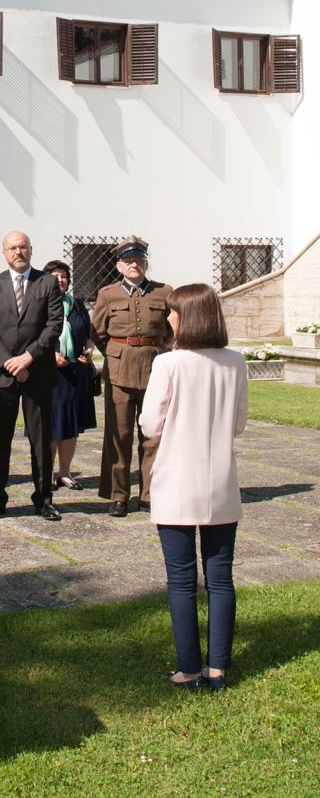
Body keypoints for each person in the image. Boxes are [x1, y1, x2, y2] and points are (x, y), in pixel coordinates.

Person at [140, 284, 247, 691]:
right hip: (220, 480)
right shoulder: (234, 362)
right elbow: (238, 424)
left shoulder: (169, 364)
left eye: (173, 312)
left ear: (187, 317)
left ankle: (188, 667)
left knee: (182, 581)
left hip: (177, 482)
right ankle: (217, 668)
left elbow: (150, 424)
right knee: (221, 579)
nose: (168, 318)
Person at [0, 231, 64, 522]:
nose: (19, 252)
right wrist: (9, 363)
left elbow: (53, 325)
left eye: (23, 247)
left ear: (31, 249)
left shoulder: (48, 282)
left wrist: (28, 357)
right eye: (13, 248)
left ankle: (43, 498)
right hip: (3, 375)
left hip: (37, 371)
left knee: (40, 439)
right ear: (4, 253)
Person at [91, 236, 173, 516]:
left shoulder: (164, 292)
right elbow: (98, 333)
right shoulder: (107, 294)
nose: (133, 265)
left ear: (146, 262)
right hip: (119, 372)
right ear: (119, 266)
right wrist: (118, 353)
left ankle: (149, 494)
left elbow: (172, 333)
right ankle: (119, 495)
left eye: (138, 260)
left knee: (153, 436)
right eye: (128, 261)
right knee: (119, 435)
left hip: (155, 370)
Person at [40, 260, 96, 493]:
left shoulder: (78, 305)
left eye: (63, 275)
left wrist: (90, 349)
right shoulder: (39, 304)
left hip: (75, 372)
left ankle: (65, 472)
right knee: (53, 425)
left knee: (71, 426)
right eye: (55, 275)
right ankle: (47, 473)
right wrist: (50, 356)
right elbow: (31, 337)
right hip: (50, 374)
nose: (60, 279)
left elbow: (87, 334)